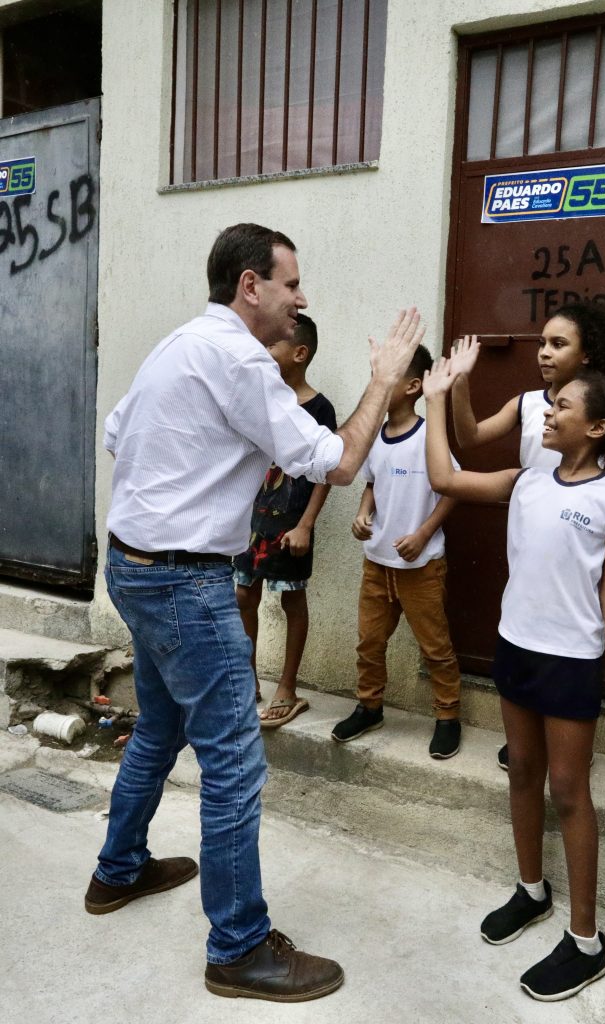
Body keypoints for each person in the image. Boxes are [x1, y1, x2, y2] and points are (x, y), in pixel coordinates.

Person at [88, 223, 426, 1003]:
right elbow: (339, 462)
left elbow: (117, 434)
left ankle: (118, 870)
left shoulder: (179, 344)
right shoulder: (239, 357)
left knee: (162, 727)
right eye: (290, 283)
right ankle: (238, 948)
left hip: (133, 565)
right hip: (184, 582)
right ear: (250, 285)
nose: (300, 298)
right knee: (235, 761)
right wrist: (383, 380)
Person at [423, 358, 605, 1002]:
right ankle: (532, 891)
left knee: (569, 791)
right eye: (550, 404)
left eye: (565, 406)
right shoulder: (526, 479)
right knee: (521, 770)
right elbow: (445, 475)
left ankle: (586, 942)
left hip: (572, 661)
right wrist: (439, 397)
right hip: (514, 647)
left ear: (598, 427)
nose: (548, 412)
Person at [448, 302, 605, 770]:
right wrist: (458, 383)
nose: (544, 353)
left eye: (559, 344)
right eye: (541, 343)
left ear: (586, 355)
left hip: (576, 550)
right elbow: (469, 438)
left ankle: (569, 736)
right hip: (530, 534)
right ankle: (528, 737)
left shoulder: (603, 409)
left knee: (570, 642)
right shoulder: (527, 403)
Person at [331, 344, 463, 760]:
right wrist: (363, 513)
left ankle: (447, 717)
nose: (378, 383)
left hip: (420, 566)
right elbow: (372, 481)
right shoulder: (375, 437)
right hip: (377, 563)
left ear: (414, 386)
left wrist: (423, 534)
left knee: (435, 646)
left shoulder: (429, 437)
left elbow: (452, 488)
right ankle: (369, 706)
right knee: (369, 642)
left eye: (388, 376)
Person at [234, 313, 336, 726]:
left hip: (291, 523)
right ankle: (247, 681)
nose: (264, 349)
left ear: (299, 353)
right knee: (244, 597)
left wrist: (307, 524)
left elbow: (327, 471)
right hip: (250, 522)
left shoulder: (319, 408)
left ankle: (288, 687)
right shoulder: (262, 399)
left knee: (292, 599)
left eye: (273, 345)